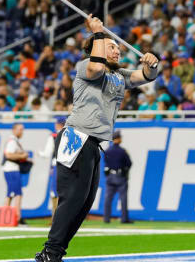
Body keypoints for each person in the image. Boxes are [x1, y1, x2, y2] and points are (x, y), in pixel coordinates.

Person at [36, 15, 158, 262]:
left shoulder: (120, 75)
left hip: (94, 143)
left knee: (84, 203)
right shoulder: (85, 65)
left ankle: (56, 252)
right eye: (112, 46)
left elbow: (146, 77)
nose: (117, 50)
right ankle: (51, 251)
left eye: (118, 47)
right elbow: (96, 67)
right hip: (76, 137)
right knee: (72, 198)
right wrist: (99, 33)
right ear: (96, 48)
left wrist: (152, 64)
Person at [38, 117, 66, 223]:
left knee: (54, 192)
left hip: (58, 165)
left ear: (58, 124)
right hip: (69, 167)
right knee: (66, 192)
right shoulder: (71, 135)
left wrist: (39, 153)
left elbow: (47, 153)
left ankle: (56, 218)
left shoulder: (54, 136)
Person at [103, 130, 133, 224]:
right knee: (123, 198)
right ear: (119, 139)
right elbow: (129, 163)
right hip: (120, 176)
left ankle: (106, 218)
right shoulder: (122, 151)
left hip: (110, 176)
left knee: (108, 198)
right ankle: (124, 219)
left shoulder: (107, 151)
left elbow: (105, 162)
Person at [3, 123, 30, 226]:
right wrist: (22, 155)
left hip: (11, 169)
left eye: (22, 129)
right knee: (17, 194)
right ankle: (17, 218)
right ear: (14, 130)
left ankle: (6, 217)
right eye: (19, 129)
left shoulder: (14, 141)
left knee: (11, 194)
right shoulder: (12, 141)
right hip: (11, 169)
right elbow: (8, 154)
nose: (21, 132)